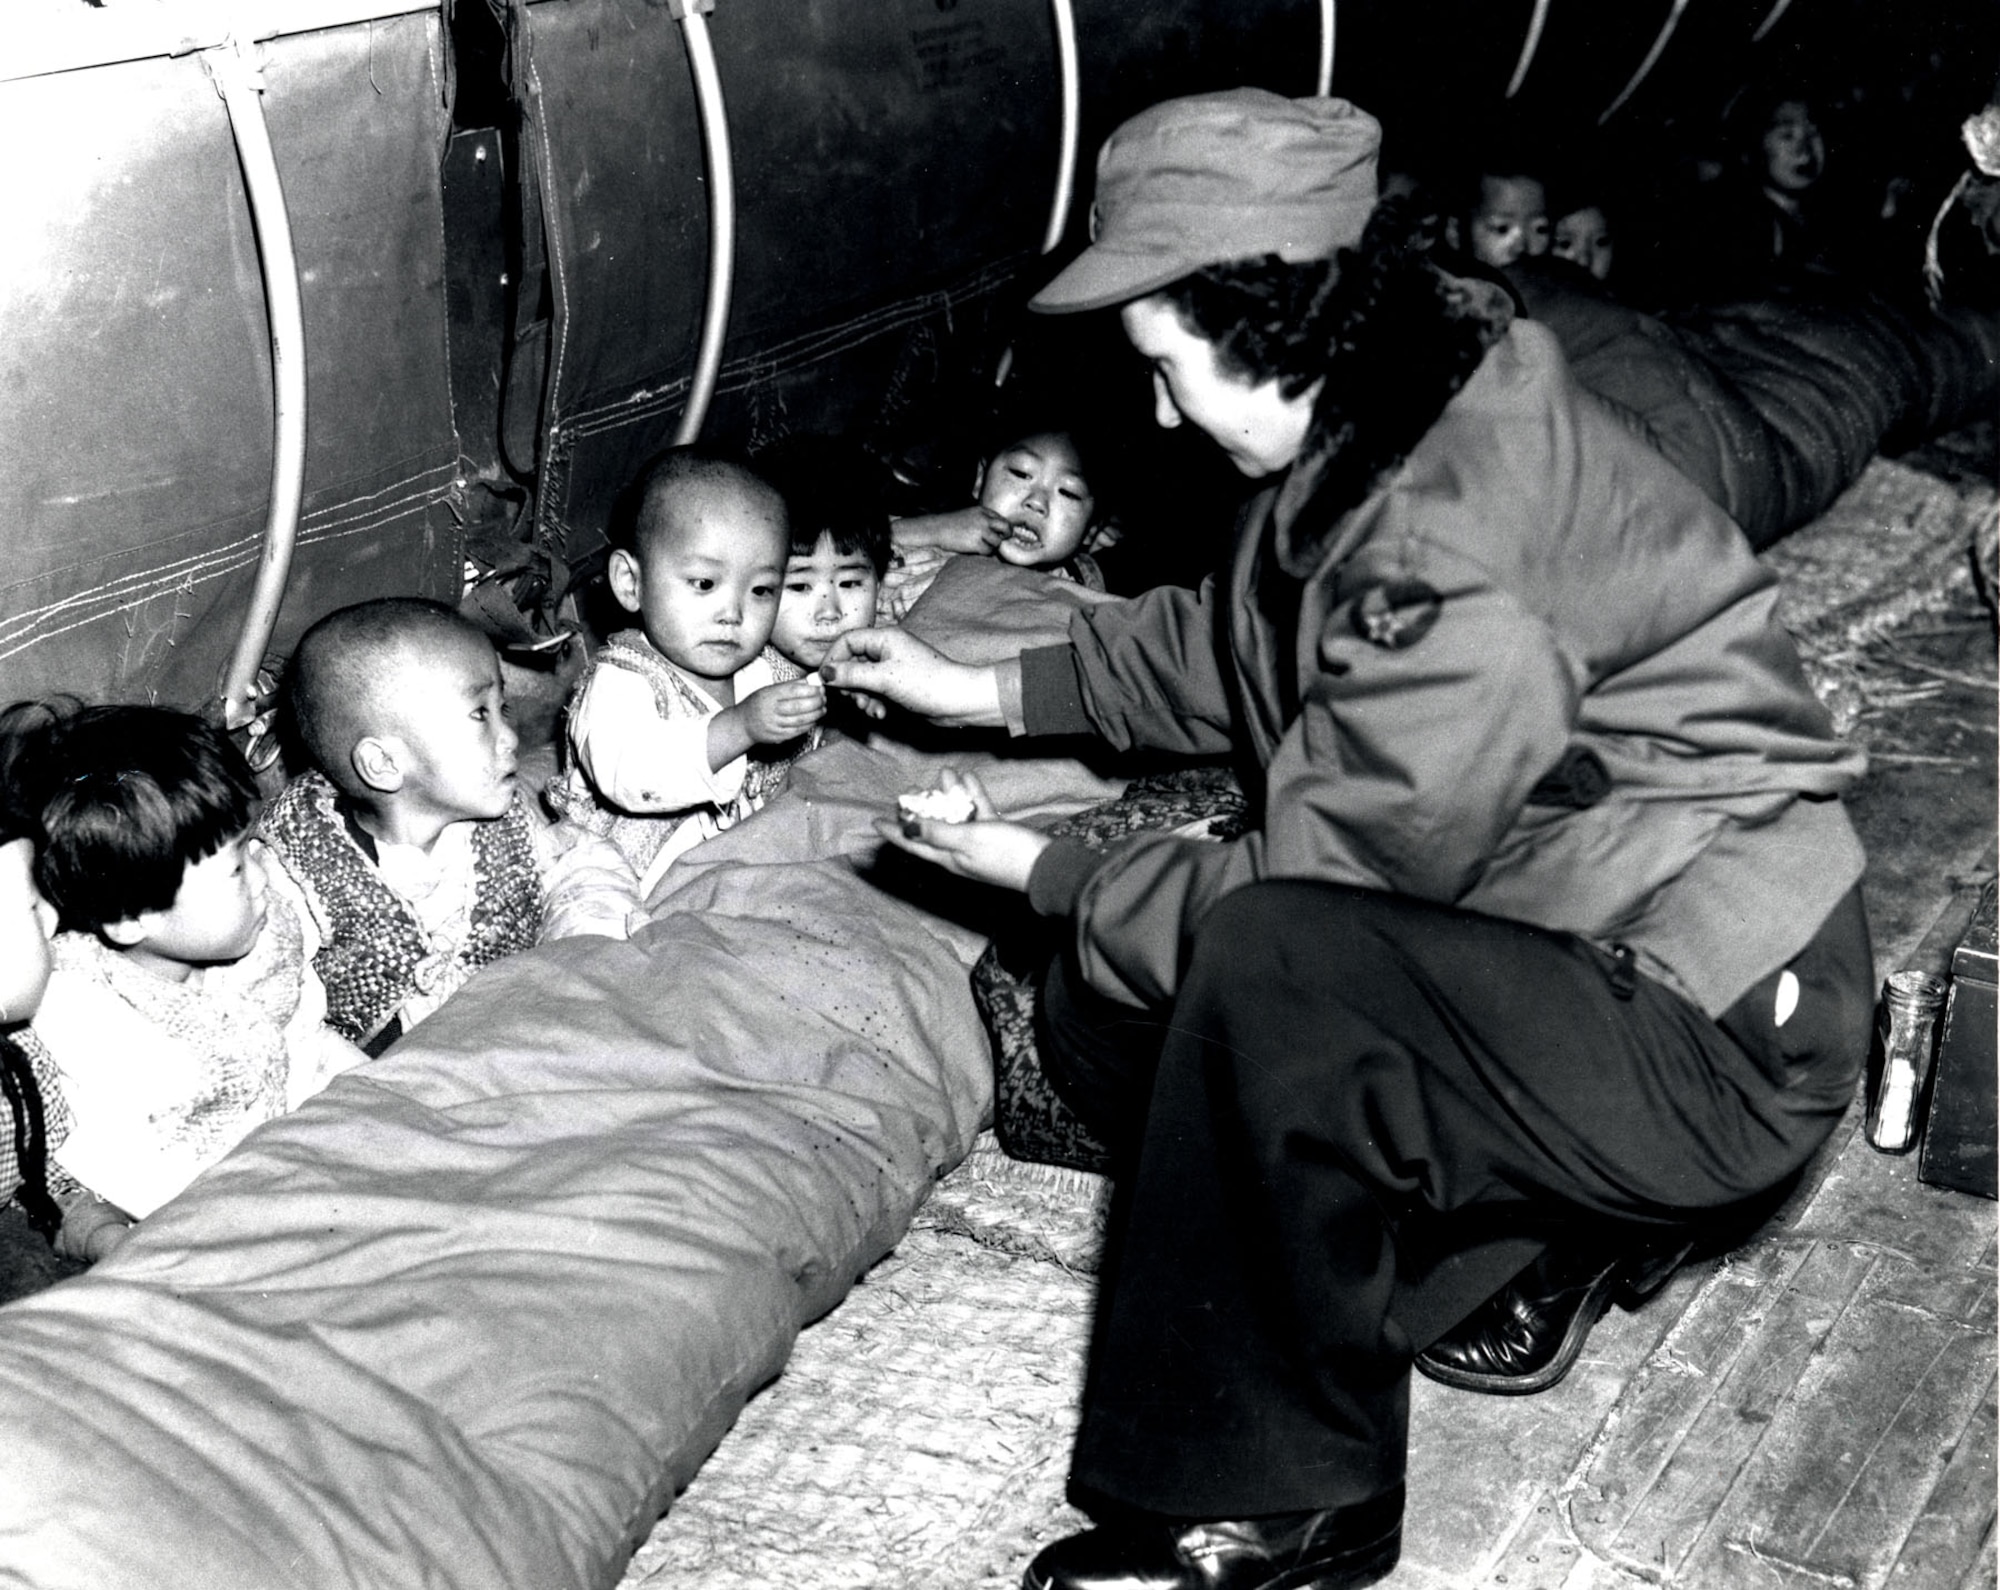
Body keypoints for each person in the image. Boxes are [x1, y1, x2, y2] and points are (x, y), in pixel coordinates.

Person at [823, 88, 1873, 1590]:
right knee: (1124, 1024)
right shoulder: (1399, 394)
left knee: (1249, 980)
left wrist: (1053, 869)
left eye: (1170, 370)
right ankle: (1533, 1226)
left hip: (1717, 1027)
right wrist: (991, 685)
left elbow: (1312, 910)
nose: (1164, 414)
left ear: (1263, 323)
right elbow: (1253, 629)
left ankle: (1292, 1500)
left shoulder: (1448, 541)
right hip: (1625, 928)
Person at [10, 702, 366, 1256]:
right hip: (208, 1214)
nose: (265, 872)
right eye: (235, 865)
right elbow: (104, 1171)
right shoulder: (85, 1024)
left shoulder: (263, 938)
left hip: (309, 1159)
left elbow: (308, 1040)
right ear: (131, 918)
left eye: (254, 844)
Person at [268, 598, 641, 1056]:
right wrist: (366, 1087)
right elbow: (278, 1013)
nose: (511, 736)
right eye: (479, 715)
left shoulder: (504, 825)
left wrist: (581, 956)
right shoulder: (297, 873)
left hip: (511, 1036)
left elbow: (581, 862)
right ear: (384, 764)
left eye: (501, 707)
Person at [545, 448, 828, 893]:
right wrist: (741, 726)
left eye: (761, 589)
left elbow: (799, 738)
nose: (733, 613)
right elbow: (629, 775)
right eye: (704, 584)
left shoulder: (762, 669)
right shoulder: (620, 679)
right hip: (629, 876)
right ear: (629, 583)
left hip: (732, 866)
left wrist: (835, 693)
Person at [883, 425, 1108, 619]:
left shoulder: (1081, 604)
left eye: (1068, 492)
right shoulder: (934, 533)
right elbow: (854, 542)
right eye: (1021, 473)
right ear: (980, 478)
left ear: (1092, 530)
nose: (1037, 502)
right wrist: (933, 531)